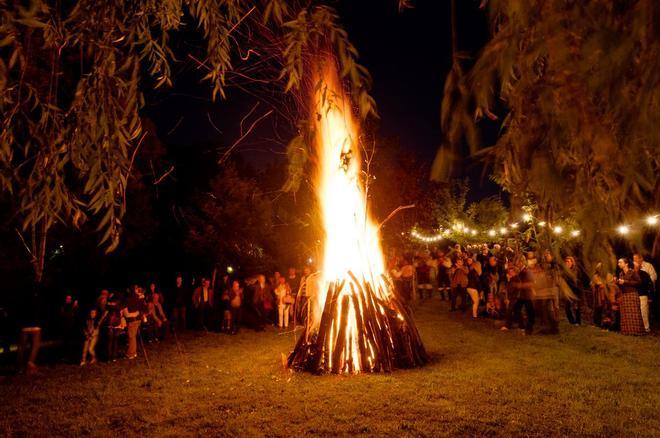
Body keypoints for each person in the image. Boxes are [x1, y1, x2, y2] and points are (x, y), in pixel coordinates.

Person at [501, 256, 535, 335]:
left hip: (526, 295)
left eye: (518, 262)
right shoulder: (519, 272)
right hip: (521, 296)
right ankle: (522, 326)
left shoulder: (526, 271)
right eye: (516, 262)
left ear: (522, 262)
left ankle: (526, 329)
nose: (516, 264)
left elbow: (531, 283)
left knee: (529, 312)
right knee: (517, 310)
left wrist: (519, 285)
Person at [616, 258, 645, 336]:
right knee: (626, 314)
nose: (618, 264)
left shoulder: (632, 272)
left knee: (634, 314)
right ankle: (627, 331)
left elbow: (639, 282)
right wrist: (618, 282)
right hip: (624, 295)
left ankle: (637, 332)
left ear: (626, 264)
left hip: (632, 294)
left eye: (620, 262)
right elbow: (622, 285)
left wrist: (625, 282)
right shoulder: (621, 274)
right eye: (618, 263)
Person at [122, 285, 144, 359]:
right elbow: (140, 309)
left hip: (133, 321)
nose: (137, 290)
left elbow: (126, 314)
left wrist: (132, 314)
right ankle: (134, 352)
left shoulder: (127, 299)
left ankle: (131, 354)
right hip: (138, 320)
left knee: (131, 337)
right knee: (133, 337)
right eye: (136, 289)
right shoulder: (138, 298)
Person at [633, 258, 654, 333]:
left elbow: (650, 285)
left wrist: (650, 296)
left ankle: (646, 327)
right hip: (634, 295)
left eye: (636, 267)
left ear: (639, 267)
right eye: (633, 267)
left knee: (644, 312)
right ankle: (637, 327)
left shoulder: (644, 274)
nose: (634, 268)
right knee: (635, 312)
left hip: (643, 295)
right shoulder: (631, 274)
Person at [562, 256, 582, 325]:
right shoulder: (565, 271)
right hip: (568, 291)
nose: (567, 263)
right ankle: (572, 322)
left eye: (568, 261)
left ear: (572, 263)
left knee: (576, 307)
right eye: (566, 262)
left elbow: (575, 281)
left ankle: (578, 322)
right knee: (567, 307)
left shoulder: (575, 270)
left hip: (575, 291)